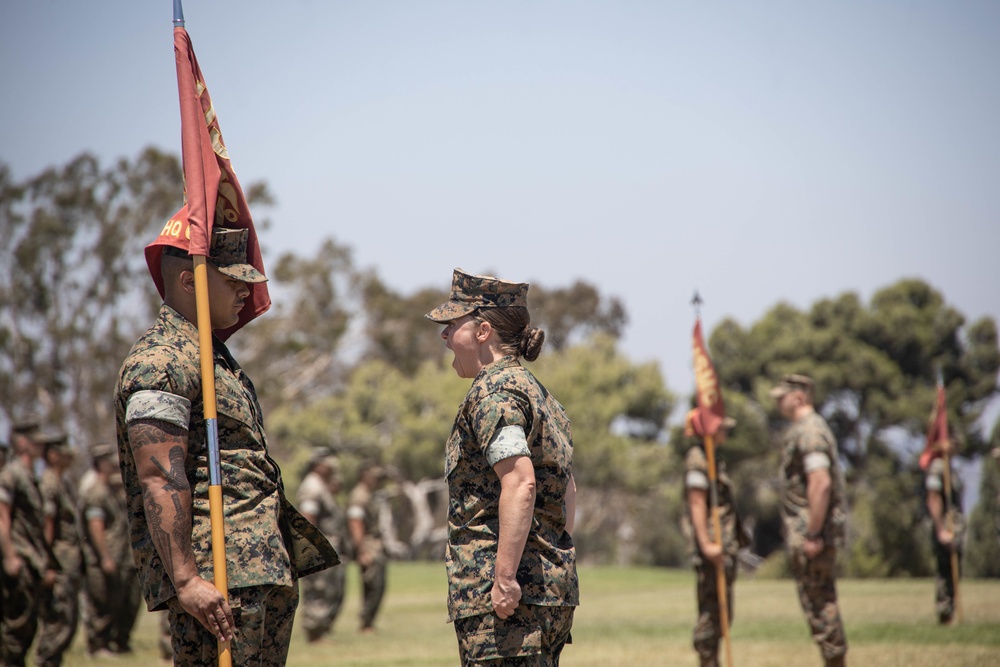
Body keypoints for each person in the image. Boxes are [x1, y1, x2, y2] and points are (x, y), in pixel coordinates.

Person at [114, 225, 339, 666]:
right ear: (189, 280)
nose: (244, 291)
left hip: (257, 567)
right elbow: (161, 475)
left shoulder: (210, 356)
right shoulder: (160, 361)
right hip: (219, 574)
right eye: (232, 279)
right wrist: (186, 580)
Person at [425, 268, 579, 666]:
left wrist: (506, 577)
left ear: (483, 331)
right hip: (548, 591)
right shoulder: (537, 392)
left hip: (508, 606)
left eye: (453, 324)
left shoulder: (494, 393)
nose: (444, 336)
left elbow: (521, 482)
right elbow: (566, 490)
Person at [770, 374, 848, 667]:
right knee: (818, 605)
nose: (778, 401)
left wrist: (813, 533)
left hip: (813, 534)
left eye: (782, 396)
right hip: (809, 532)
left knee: (822, 606)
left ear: (799, 397)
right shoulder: (805, 429)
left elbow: (821, 483)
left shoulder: (810, 432)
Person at [681, 412, 746, 667]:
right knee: (711, 617)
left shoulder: (711, 457)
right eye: (722, 427)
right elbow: (697, 502)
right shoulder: (698, 459)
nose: (726, 431)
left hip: (723, 547)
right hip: (713, 550)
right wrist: (707, 545)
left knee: (721, 615)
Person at [79, 443, 138, 656]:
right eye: (109, 462)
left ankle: (111, 643)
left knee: (116, 600)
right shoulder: (96, 492)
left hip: (118, 555)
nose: (113, 465)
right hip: (103, 557)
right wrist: (105, 556)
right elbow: (96, 527)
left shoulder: (109, 490)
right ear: (100, 464)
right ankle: (97, 646)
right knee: (101, 601)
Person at [0, 418, 49, 667]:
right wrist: (10, 556)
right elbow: (1, 516)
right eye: (35, 440)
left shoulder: (30, 476)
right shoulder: (12, 474)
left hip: (32, 561)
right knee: (15, 628)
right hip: (20, 559)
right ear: (22, 443)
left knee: (27, 626)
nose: (41, 445)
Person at [36, 431, 84, 667]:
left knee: (69, 621)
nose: (70, 458)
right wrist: (46, 564)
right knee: (58, 621)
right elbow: (47, 526)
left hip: (68, 564)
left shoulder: (63, 482)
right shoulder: (49, 483)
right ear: (53, 455)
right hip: (57, 564)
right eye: (65, 454)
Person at [297, 449, 348, 643]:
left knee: (329, 589)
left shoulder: (321, 485)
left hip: (327, 546)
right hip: (318, 547)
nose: (332, 466)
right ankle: (315, 632)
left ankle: (322, 630)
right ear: (318, 464)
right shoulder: (312, 485)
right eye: (328, 463)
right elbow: (308, 517)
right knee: (317, 589)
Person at [921, 439, 964, 624]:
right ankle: (945, 612)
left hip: (954, 526)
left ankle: (951, 609)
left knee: (952, 570)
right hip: (946, 526)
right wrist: (940, 530)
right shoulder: (938, 467)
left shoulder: (949, 467)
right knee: (945, 569)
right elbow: (933, 498)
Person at [347, 461, 388, 633]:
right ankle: (366, 624)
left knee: (377, 585)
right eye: (374, 476)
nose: (377, 480)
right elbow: (355, 523)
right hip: (368, 546)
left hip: (375, 545)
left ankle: (368, 623)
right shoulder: (359, 495)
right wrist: (361, 551)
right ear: (365, 475)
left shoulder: (370, 494)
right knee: (372, 585)